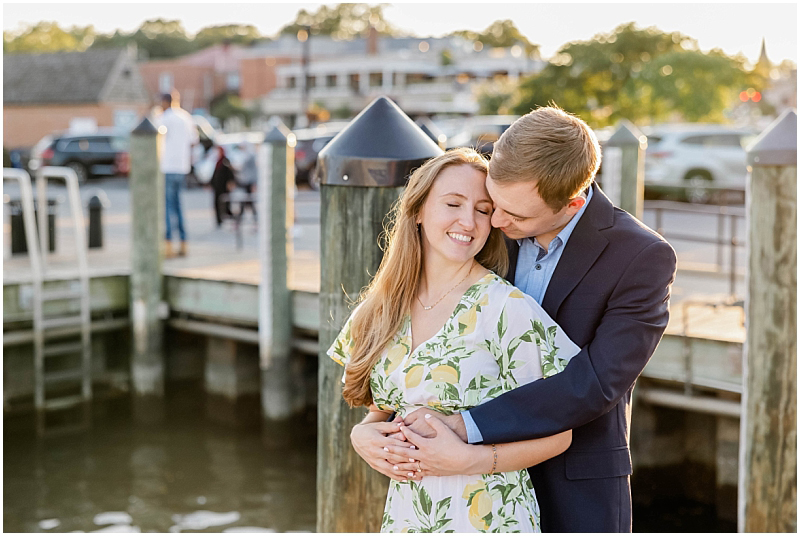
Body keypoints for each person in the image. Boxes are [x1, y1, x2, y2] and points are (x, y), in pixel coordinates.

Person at [357, 106, 678, 532]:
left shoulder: (641, 257)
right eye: (495, 204)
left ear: (572, 202)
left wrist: (466, 428)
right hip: (465, 497)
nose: (496, 222)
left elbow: (595, 383)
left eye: (517, 216)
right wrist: (365, 431)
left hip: (574, 483)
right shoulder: (485, 230)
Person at [328, 148, 582, 532]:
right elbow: (381, 410)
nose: (469, 220)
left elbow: (561, 432)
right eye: (453, 203)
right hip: (408, 518)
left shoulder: (506, 309)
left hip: (491, 520)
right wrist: (361, 434)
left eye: (483, 209)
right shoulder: (380, 308)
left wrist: (468, 460)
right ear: (418, 210)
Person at [157, 91, 198, 258]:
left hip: (167, 166)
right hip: (182, 167)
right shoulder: (186, 117)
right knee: (179, 205)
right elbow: (194, 141)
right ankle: (183, 243)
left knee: (168, 206)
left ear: (166, 102)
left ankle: (168, 245)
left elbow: (156, 138)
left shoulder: (164, 118)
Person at [210, 145, 235, 227]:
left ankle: (226, 217)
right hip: (217, 187)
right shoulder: (218, 162)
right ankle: (219, 220)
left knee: (224, 204)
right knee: (217, 204)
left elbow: (230, 174)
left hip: (223, 188)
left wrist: (230, 183)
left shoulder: (225, 161)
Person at [235, 142, 258, 223]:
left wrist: (254, 183)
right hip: (244, 182)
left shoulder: (250, 156)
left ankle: (241, 220)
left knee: (248, 202)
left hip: (249, 182)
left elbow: (254, 171)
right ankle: (240, 220)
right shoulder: (244, 156)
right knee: (245, 202)